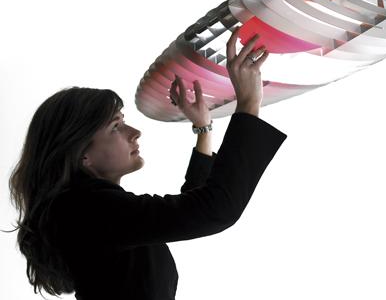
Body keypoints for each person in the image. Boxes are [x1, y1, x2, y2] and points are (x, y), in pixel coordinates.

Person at [6, 27, 287, 300]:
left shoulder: (86, 209)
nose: (134, 133)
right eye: (116, 126)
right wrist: (248, 103)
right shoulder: (86, 210)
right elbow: (213, 210)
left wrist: (203, 128)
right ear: (81, 154)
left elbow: (193, 206)